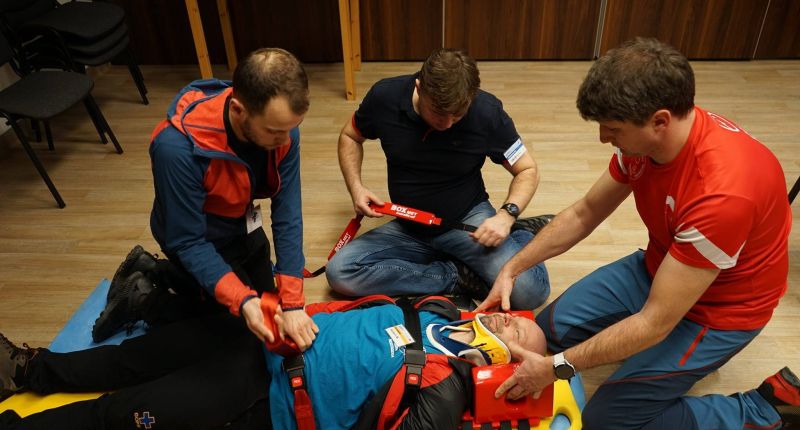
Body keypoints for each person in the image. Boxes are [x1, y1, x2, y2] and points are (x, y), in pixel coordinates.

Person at [476, 37, 796, 429]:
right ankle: (662, 362)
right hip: (663, 267)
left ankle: (764, 409)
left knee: (607, 420)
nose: (603, 138)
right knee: (549, 332)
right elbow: (585, 212)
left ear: (660, 121)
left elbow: (654, 322)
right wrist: (512, 268)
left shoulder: (722, 194)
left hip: (719, 312)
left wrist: (556, 368)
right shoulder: (648, 143)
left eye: (612, 129)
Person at [0, 287, 546, 430]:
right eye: (516, 315)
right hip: (262, 337)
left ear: (511, 363)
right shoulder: (438, 308)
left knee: (120, 413)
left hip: (266, 398)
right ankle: (30, 370)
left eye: (520, 331)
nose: (510, 318)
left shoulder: (444, 390)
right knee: (136, 356)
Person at [92, 48, 318, 350]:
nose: (286, 140)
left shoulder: (282, 130)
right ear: (238, 110)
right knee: (239, 331)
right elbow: (188, 241)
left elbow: (288, 213)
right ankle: (143, 299)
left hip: (241, 221)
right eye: (275, 131)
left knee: (272, 308)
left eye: (292, 128)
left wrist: (292, 302)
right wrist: (243, 301)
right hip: (194, 236)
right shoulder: (176, 149)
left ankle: (155, 269)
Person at [326, 48, 551, 310]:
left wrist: (507, 215)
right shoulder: (385, 97)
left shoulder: (486, 112)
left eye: (458, 115)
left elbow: (527, 169)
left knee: (530, 293)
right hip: (409, 225)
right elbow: (351, 136)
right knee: (341, 273)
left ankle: (518, 232)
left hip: (467, 222)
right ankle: (454, 276)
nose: (447, 124)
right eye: (438, 112)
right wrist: (356, 188)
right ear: (419, 88)